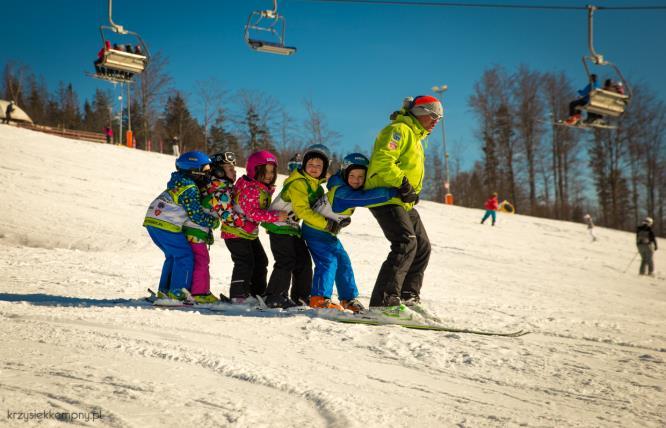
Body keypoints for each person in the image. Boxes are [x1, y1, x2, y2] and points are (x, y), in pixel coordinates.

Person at [364, 95, 442, 309]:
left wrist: (410, 191)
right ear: (420, 112)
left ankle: (408, 298)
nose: (436, 121)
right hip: (385, 195)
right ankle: (384, 304)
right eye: (434, 115)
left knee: (422, 246)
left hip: (401, 199)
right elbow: (383, 161)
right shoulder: (398, 130)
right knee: (405, 243)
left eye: (439, 118)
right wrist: (404, 184)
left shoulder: (416, 137)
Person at [305, 152, 399, 312]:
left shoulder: (342, 186)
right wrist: (393, 192)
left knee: (343, 261)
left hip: (327, 233)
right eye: (352, 175)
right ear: (345, 174)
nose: (356, 180)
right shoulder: (343, 192)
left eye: (361, 176)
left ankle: (348, 299)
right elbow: (365, 198)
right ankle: (319, 299)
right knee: (328, 261)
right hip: (314, 231)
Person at [143, 151, 219, 301]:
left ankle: (164, 290)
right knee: (185, 256)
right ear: (194, 171)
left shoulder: (179, 183)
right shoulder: (190, 188)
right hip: (167, 225)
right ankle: (178, 292)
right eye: (205, 170)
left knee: (173, 256)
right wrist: (213, 222)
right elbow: (195, 215)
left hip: (154, 222)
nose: (208, 174)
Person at [261, 147, 330, 309]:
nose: (313, 168)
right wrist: (327, 224)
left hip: (292, 228)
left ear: (324, 170)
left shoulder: (318, 188)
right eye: (310, 164)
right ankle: (275, 296)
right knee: (286, 260)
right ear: (304, 165)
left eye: (318, 166)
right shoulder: (298, 183)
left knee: (304, 262)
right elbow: (302, 211)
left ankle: (301, 297)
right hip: (278, 225)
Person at [222, 150, 288, 303]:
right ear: (253, 170)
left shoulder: (260, 187)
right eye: (264, 171)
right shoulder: (251, 188)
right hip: (236, 232)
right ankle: (239, 295)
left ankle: (257, 293)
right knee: (245, 262)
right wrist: (275, 216)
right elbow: (252, 213)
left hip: (247, 232)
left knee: (261, 261)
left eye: (272, 171)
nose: (269, 175)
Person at [183, 151, 239, 304]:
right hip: (196, 230)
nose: (234, 172)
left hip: (193, 229)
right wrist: (244, 222)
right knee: (201, 260)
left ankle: (186, 289)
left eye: (234, 168)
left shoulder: (210, 184)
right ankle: (200, 293)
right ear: (219, 171)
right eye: (230, 168)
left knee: (195, 260)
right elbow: (227, 216)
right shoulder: (220, 190)